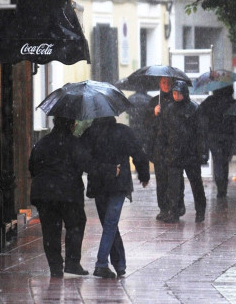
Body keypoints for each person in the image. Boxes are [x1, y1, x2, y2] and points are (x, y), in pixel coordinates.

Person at [29, 117, 117, 278]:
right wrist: (111, 170)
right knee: (75, 225)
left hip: (44, 194)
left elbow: (32, 166)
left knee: (50, 231)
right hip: (68, 193)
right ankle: (72, 263)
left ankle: (55, 267)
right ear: (70, 124)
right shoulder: (74, 143)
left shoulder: (42, 143)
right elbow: (89, 165)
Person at [81, 116, 150, 279]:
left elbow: (84, 160)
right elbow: (139, 153)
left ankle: (119, 264)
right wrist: (144, 174)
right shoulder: (123, 131)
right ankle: (102, 264)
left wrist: (100, 169)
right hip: (119, 184)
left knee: (109, 224)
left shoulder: (90, 134)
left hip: (98, 185)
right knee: (110, 224)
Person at [161, 80, 207, 223]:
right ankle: (174, 211)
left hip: (190, 153)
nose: (176, 96)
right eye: (174, 93)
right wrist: (163, 148)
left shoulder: (194, 109)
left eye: (179, 93)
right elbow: (164, 131)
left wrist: (202, 152)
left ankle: (200, 211)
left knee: (196, 183)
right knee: (173, 185)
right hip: (174, 151)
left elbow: (201, 133)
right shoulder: (169, 109)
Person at [145, 77, 185, 221]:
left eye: (169, 83)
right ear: (159, 84)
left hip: (173, 146)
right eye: (163, 83)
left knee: (175, 178)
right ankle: (164, 208)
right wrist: (154, 113)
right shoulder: (154, 101)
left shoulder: (177, 100)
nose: (166, 85)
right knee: (161, 179)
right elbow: (147, 124)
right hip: (159, 147)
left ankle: (177, 206)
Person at [198, 85, 236, 197]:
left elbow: (200, 112)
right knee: (225, 161)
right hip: (228, 135)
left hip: (214, 135)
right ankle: (223, 187)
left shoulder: (210, 101)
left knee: (218, 160)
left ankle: (220, 186)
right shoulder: (231, 102)